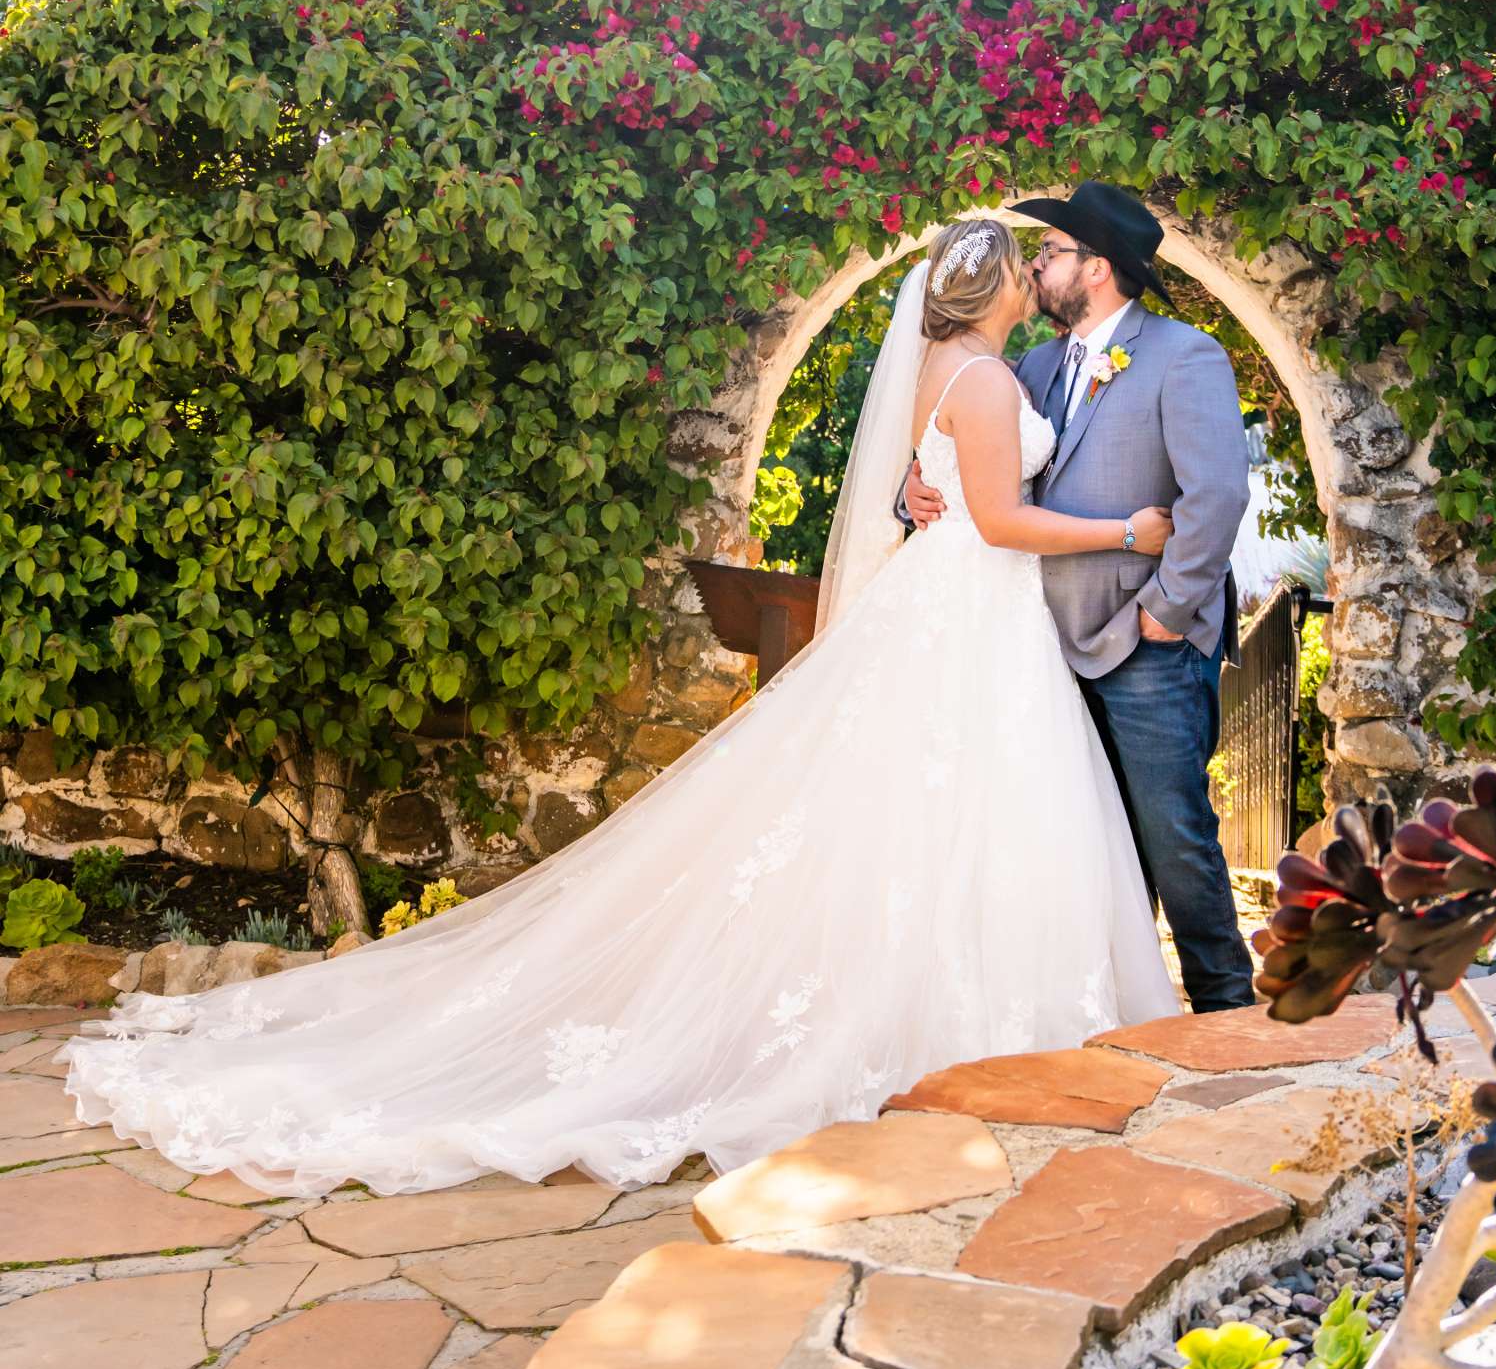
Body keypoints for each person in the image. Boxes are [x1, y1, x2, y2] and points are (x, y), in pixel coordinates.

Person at [61, 219, 1177, 1199]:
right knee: (965, 814)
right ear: (993, 287)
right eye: (1026, 266)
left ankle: (944, 1031)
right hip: (973, 613)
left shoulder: (949, 362)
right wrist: (1131, 532)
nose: (1040, 276)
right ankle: (970, 1036)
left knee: (915, 817)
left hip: (954, 612)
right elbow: (997, 518)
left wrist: (918, 495)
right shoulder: (984, 379)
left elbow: (927, 488)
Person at [904, 183, 1256, 1012]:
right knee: (1088, 848)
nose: (1037, 267)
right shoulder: (1026, 366)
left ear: (1096, 269)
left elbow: (1217, 497)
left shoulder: (1185, 355)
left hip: (1145, 647)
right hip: (1042, 647)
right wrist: (911, 495)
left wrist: (1165, 613)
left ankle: (1229, 1015)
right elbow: (967, 470)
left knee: (1177, 841)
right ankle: (1121, 1010)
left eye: (1052, 253)